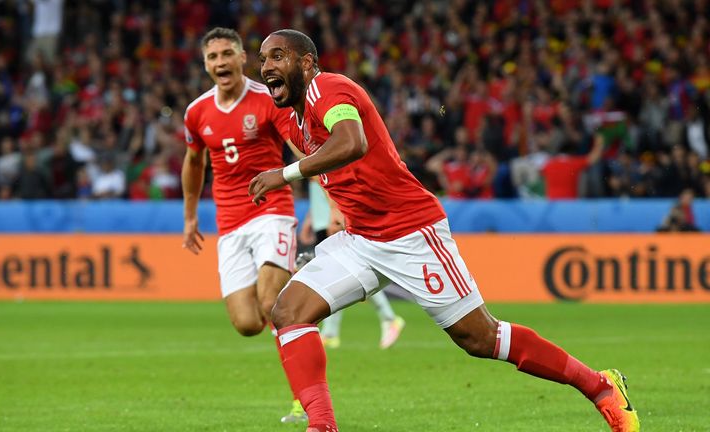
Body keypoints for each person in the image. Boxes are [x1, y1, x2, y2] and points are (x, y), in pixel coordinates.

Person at [250, 29, 639, 432]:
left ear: (307, 63)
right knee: (289, 312)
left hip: (412, 232)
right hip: (363, 239)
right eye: (262, 60)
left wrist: (285, 173)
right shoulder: (291, 115)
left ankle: (601, 386)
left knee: (480, 338)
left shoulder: (328, 89)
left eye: (277, 56)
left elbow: (353, 142)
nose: (266, 67)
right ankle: (322, 425)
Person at [181, 27, 306, 424]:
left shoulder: (267, 101)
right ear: (206, 65)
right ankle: (298, 273)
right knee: (248, 324)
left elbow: (301, 149)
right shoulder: (197, 112)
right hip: (230, 223)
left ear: (241, 59)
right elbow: (193, 162)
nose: (220, 62)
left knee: (273, 306)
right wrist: (189, 217)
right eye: (213, 57)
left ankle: (303, 401)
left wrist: (330, 197)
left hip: (272, 210)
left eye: (227, 54)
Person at [299, 179, 406, 349]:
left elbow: (330, 186)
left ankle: (388, 318)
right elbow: (319, 188)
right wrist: (310, 220)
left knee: (345, 273)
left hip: (332, 219)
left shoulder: (321, 157)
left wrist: (335, 212)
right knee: (336, 275)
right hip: (322, 219)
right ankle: (332, 332)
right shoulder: (314, 158)